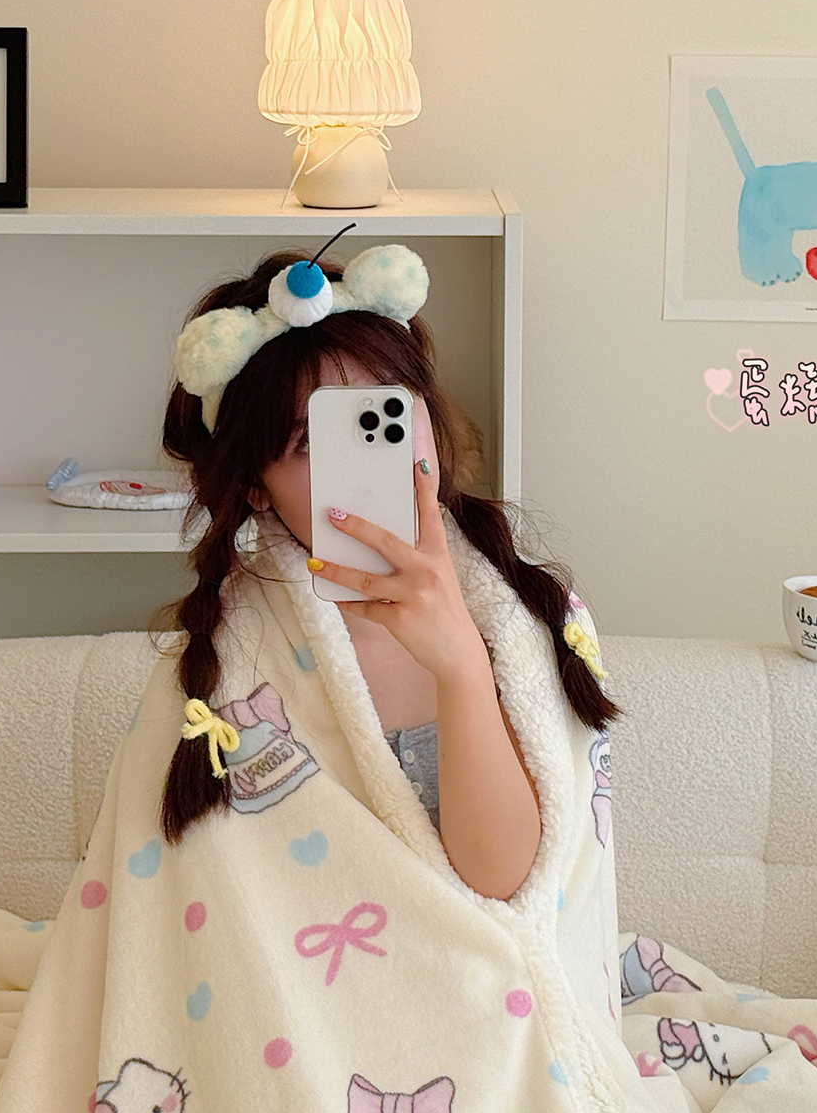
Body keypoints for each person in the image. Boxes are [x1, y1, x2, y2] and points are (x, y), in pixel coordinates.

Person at [153, 243, 619, 902]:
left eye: (388, 414)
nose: (372, 461)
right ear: (256, 486)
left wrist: (461, 665)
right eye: (312, 441)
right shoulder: (230, 659)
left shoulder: (530, 616)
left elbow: (512, 889)